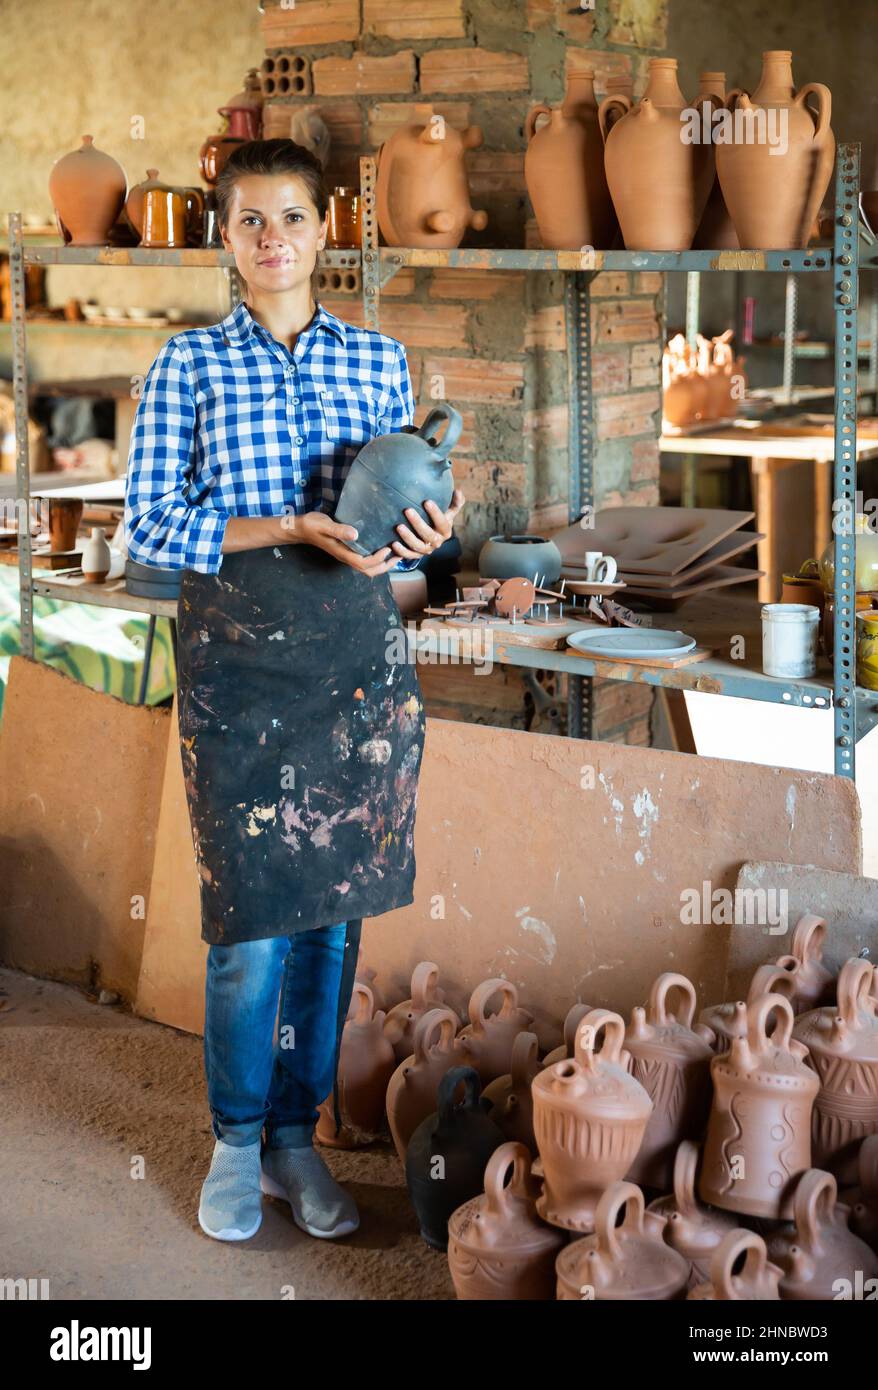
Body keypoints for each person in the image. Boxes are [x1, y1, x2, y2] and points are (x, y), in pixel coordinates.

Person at [124, 139, 465, 1243]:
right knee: (248, 930)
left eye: (292, 217)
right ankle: (232, 1143)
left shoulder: (379, 362)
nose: (272, 237)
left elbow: (407, 540)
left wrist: (433, 533)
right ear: (224, 239)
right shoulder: (186, 366)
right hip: (238, 661)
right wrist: (281, 525)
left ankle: (290, 1143)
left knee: (329, 928)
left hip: (354, 666)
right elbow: (150, 526)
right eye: (248, 220)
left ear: (327, 231)